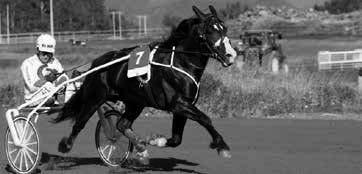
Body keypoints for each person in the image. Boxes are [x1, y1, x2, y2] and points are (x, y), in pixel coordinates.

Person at [21, 33, 68, 106]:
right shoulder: (28, 63)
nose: (46, 56)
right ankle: (53, 99)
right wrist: (47, 79)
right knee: (48, 85)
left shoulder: (55, 61)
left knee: (74, 85)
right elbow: (31, 87)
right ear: (38, 50)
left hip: (53, 95)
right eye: (44, 53)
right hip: (33, 99)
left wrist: (62, 81)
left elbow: (64, 77)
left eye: (49, 53)